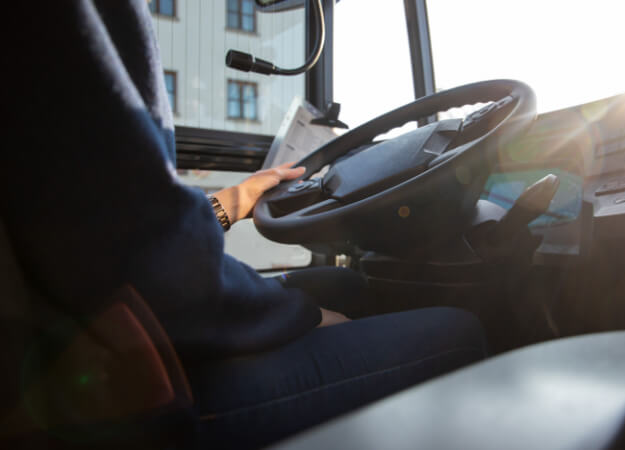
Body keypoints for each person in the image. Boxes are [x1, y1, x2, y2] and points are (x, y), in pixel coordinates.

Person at [2, 1, 487, 447]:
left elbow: (102, 214)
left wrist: (226, 204)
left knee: (344, 284)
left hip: (77, 338)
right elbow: (137, 257)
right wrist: (304, 316)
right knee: (460, 328)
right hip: (123, 394)